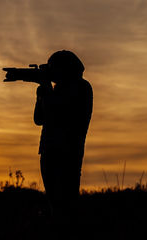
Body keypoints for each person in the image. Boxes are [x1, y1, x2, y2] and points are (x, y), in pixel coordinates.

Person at [34, 50, 93, 220]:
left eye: (53, 67)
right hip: (48, 151)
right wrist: (41, 95)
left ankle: (67, 238)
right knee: (54, 203)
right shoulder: (56, 89)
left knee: (66, 203)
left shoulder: (81, 87)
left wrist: (45, 87)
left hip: (67, 152)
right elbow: (39, 119)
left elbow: (57, 113)